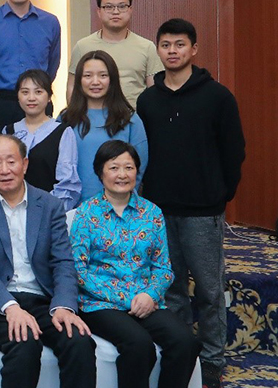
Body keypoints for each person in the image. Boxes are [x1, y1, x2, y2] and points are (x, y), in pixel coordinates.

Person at [136, 18, 245, 388]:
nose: (172, 51)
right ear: (158, 50)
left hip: (203, 211)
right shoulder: (147, 100)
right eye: (166, 45)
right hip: (159, 209)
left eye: (179, 44)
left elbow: (234, 150)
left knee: (210, 291)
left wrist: (221, 193)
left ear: (194, 49)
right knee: (171, 288)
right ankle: (181, 352)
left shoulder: (218, 97)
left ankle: (212, 360)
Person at [0, 134, 96, 388]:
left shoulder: (50, 205)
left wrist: (64, 306)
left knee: (79, 341)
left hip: (41, 300)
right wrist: (11, 308)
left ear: (24, 164)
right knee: (24, 343)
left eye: (11, 161)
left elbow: (63, 262)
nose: (5, 170)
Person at [70, 140, 201, 388]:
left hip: (146, 300)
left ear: (137, 172)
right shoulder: (86, 213)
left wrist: (150, 295)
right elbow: (78, 270)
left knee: (185, 342)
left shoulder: (152, 213)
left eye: (128, 168)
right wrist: (126, 298)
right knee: (139, 344)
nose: (122, 174)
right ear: (100, 173)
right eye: (114, 168)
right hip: (101, 303)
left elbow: (163, 268)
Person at [60, 50, 148, 201]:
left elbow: (139, 166)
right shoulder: (65, 118)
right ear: (79, 80)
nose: (95, 82)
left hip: (118, 205)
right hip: (73, 206)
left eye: (103, 75)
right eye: (88, 76)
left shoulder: (129, 119)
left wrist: (120, 199)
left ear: (112, 79)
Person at [67, 0, 162, 108]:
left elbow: (155, 92)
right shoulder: (82, 46)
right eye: (109, 7)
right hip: (90, 117)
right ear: (99, 11)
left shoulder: (147, 47)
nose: (116, 12)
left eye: (122, 6)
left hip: (133, 117)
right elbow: (72, 87)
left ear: (130, 10)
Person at [2, 70, 80, 211]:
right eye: (25, 92)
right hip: (11, 211)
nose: (31, 98)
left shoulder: (63, 132)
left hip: (49, 212)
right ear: (18, 96)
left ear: (49, 96)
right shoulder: (8, 132)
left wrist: (48, 211)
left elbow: (67, 183)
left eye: (38, 92)